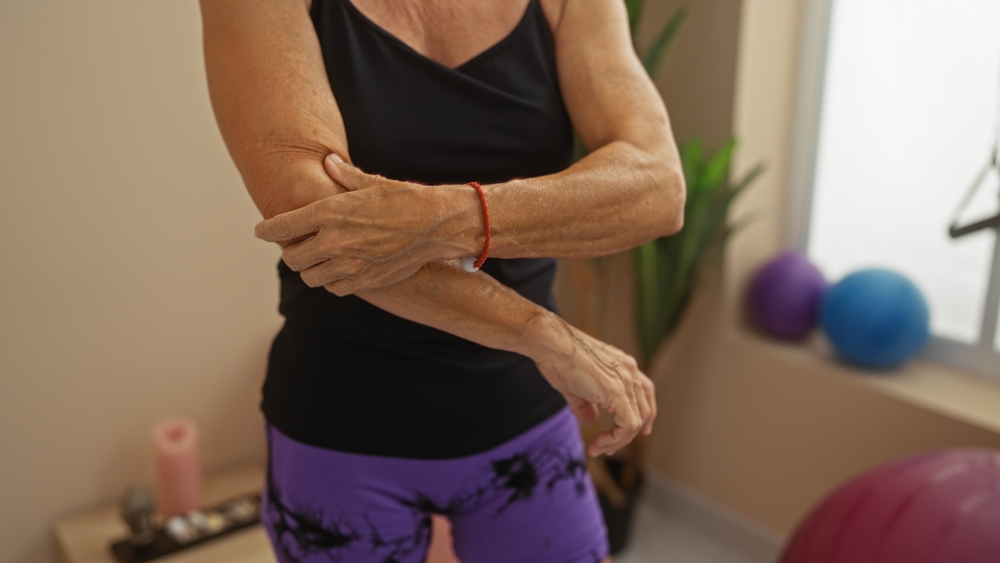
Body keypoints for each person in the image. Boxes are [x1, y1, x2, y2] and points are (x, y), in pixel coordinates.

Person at [199, 0, 684, 561]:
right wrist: (539, 331)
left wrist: (449, 217)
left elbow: (658, 187)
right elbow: (319, 225)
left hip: (524, 415)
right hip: (340, 422)